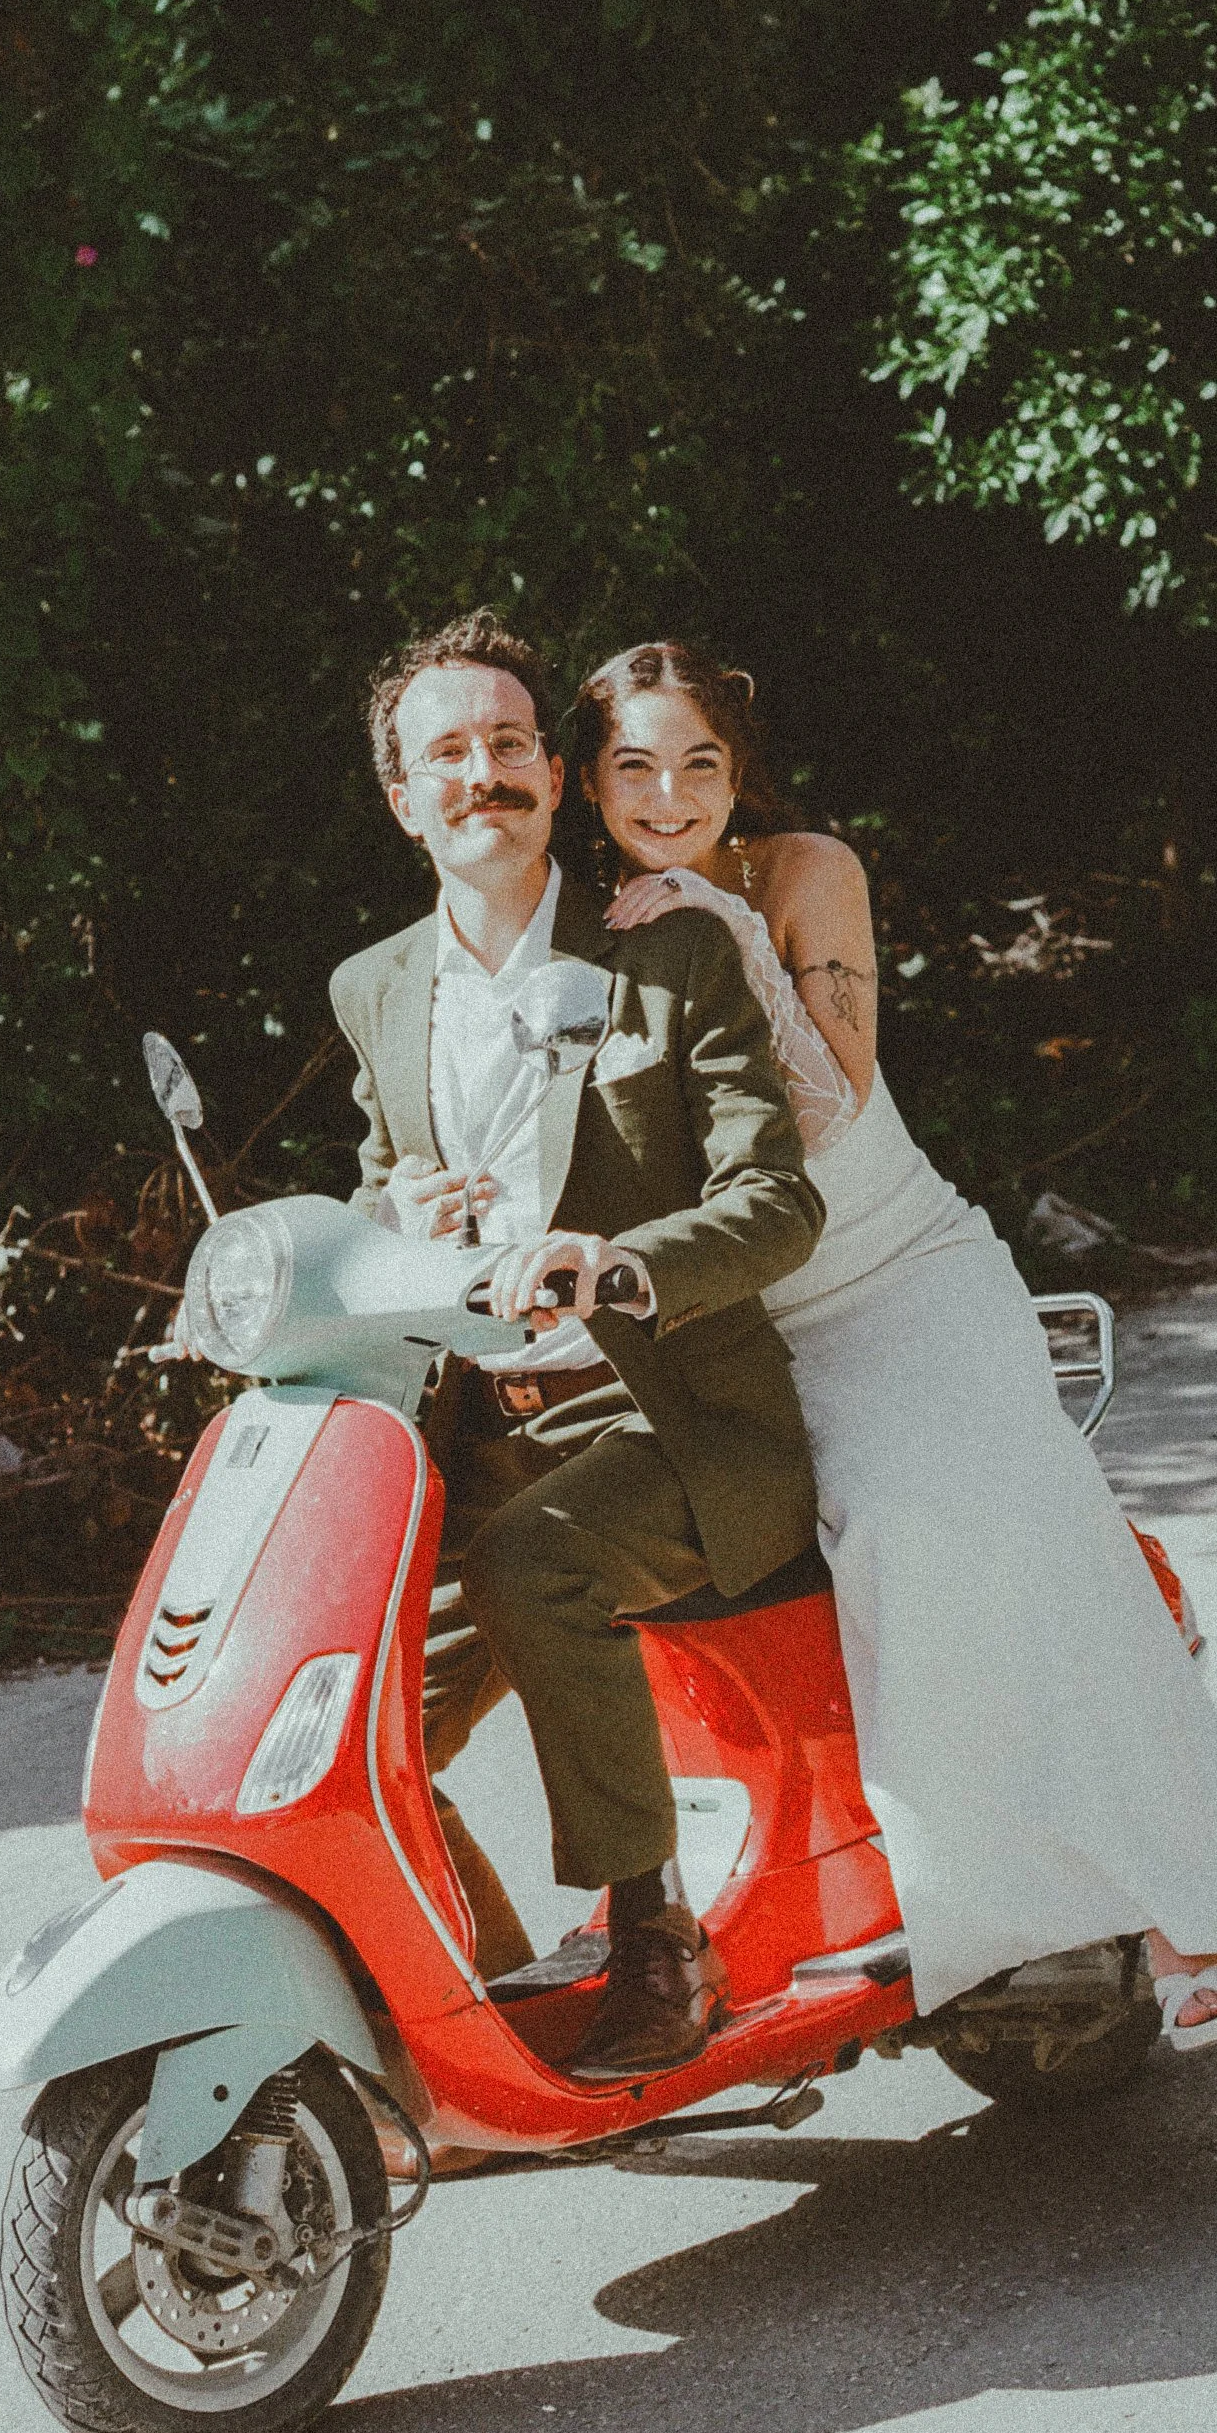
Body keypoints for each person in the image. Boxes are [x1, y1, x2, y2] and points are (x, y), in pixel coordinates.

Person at [565, 636, 1217, 2047]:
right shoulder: (578, 925)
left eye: (700, 763)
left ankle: (1176, 1912)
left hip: (903, 1279)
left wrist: (723, 928)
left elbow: (833, 1100)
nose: (670, 796)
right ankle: (703, 1901)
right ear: (589, 781)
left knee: (986, 1512)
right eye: (635, 767)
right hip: (741, 1317)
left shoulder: (803, 872)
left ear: (740, 769)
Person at [327, 610, 826, 2079]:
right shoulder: (372, 989)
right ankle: (476, 1997)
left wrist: (619, 1262)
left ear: (555, 776)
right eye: (444, 753)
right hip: (477, 1427)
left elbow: (776, 1201)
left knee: (532, 1567)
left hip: (670, 1421)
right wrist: (390, 1216)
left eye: (507, 744)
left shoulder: (669, 951)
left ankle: (657, 1937)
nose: (480, 772)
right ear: (403, 799)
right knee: (349, 1712)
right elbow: (370, 1194)